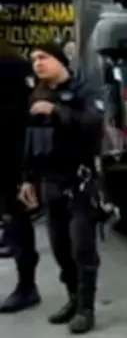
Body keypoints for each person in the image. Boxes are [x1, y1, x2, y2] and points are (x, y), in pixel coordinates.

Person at [18, 41, 105, 334]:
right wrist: (27, 179)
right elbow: (31, 141)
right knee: (60, 249)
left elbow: (94, 124)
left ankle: (86, 309)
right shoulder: (36, 95)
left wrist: (57, 111)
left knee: (83, 248)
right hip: (50, 184)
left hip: (79, 183)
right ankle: (73, 298)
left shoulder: (83, 91)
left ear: (59, 61)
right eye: (33, 60)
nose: (37, 63)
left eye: (43, 57)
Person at [0, 45, 41, 313]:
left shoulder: (13, 65)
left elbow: (29, 111)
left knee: (18, 218)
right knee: (10, 219)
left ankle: (27, 286)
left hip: (13, 156)